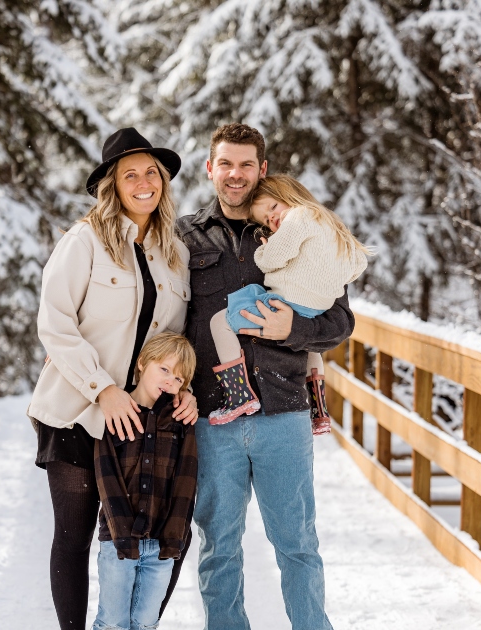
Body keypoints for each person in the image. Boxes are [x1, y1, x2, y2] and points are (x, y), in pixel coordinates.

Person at [176, 123, 355, 630]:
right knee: (218, 548)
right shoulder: (184, 236)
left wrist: (292, 327)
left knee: (298, 544)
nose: (236, 175)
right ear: (211, 168)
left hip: (284, 415)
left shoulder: (291, 225)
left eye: (247, 164)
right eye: (226, 164)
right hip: (213, 417)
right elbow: (164, 319)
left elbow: (340, 321)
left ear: (263, 169)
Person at [27, 128, 198, 630]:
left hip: (144, 422)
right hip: (78, 413)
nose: (144, 182)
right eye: (131, 175)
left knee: (164, 539)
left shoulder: (176, 254)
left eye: (152, 173)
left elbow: (175, 338)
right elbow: (54, 323)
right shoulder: (85, 241)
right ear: (113, 185)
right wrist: (104, 390)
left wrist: (181, 387)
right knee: (76, 537)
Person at [208, 174, 371, 431]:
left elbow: (271, 259)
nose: (272, 219)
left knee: (220, 322)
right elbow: (358, 265)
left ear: (291, 195)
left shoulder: (299, 216)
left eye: (273, 208)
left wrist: (264, 249)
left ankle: (238, 395)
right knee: (309, 347)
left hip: (288, 304)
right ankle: (319, 408)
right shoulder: (333, 228)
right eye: (266, 220)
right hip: (316, 309)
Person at [92, 332, 197, 630]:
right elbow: (106, 476)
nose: (170, 381)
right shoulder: (116, 414)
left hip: (161, 545)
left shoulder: (181, 424)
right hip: (117, 541)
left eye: (178, 379)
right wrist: (123, 533)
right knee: (113, 623)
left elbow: (185, 484)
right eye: (164, 369)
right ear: (141, 363)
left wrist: (173, 538)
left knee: (146, 623)